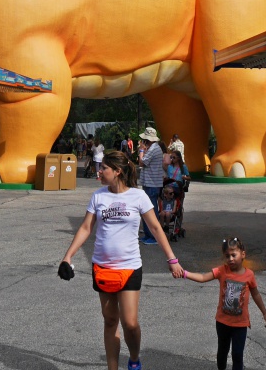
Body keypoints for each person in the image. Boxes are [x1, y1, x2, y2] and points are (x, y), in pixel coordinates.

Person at [60, 150, 184, 370]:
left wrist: (172, 259)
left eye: (104, 168)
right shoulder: (98, 196)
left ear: (117, 171)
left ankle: (134, 358)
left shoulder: (138, 196)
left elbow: (155, 228)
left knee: (130, 323)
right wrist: (67, 257)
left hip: (129, 267)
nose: (99, 171)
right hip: (102, 266)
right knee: (109, 321)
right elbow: (86, 227)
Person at [181, 237, 266, 370]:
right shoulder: (222, 270)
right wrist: (184, 273)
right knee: (222, 353)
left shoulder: (249, 275)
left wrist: (265, 313)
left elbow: (256, 294)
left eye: (233, 255)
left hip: (241, 324)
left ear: (243, 254)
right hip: (222, 322)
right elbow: (202, 278)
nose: (230, 259)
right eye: (227, 256)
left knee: (237, 354)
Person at [137, 127, 164, 245]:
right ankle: (149, 234)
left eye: (145, 140)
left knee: (150, 211)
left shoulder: (153, 149)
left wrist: (141, 151)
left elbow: (141, 162)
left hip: (151, 183)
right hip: (151, 182)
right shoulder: (155, 148)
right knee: (147, 209)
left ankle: (153, 237)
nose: (144, 142)